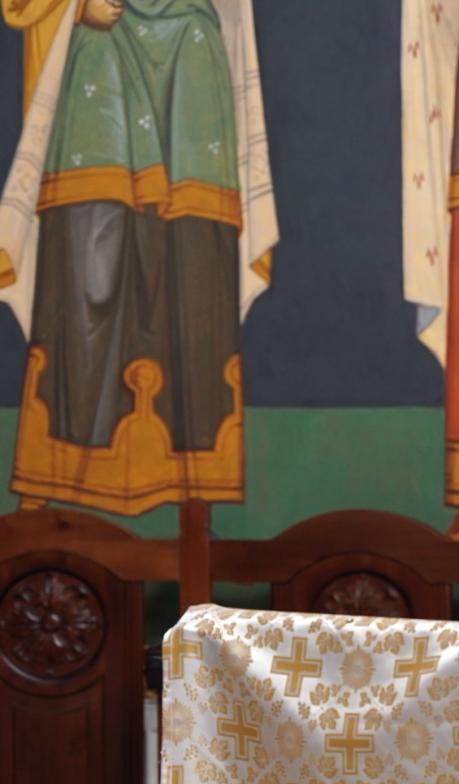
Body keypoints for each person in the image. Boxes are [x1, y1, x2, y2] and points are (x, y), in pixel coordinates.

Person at [0, 0, 276, 515]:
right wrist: (73, 7)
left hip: (190, 50)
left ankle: (193, 483)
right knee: (89, 261)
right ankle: (54, 469)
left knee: (191, 265)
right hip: (99, 45)